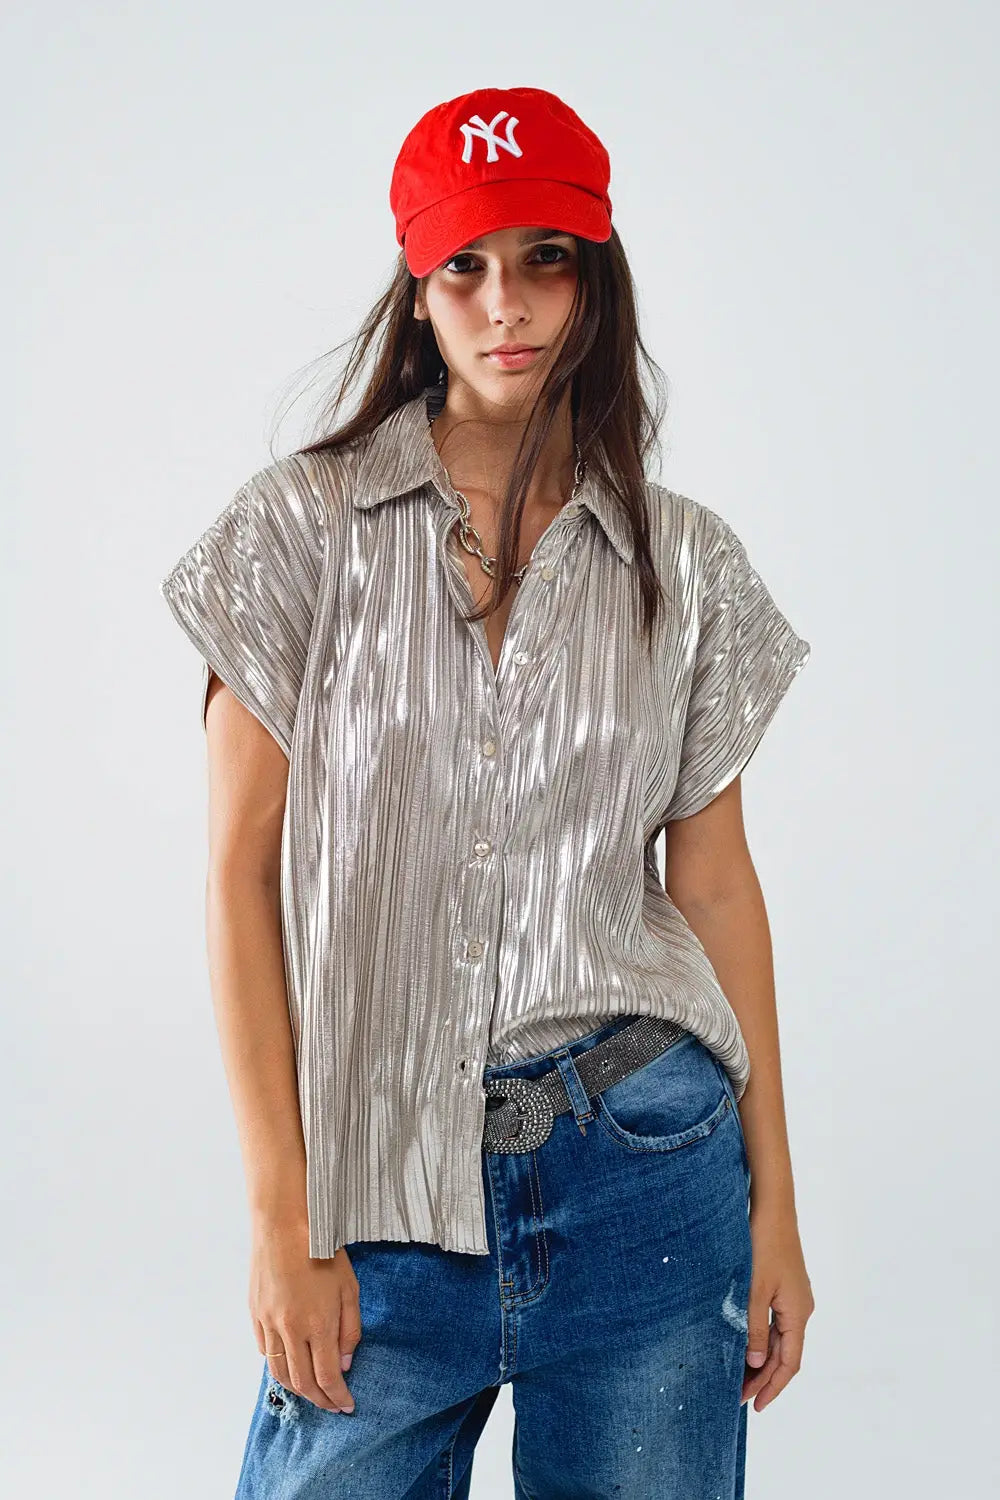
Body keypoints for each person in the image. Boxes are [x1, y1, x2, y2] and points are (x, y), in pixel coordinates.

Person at [160, 84, 815, 1500]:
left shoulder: (687, 564)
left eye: (544, 259)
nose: (504, 302)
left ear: (595, 280)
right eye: (464, 265)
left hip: (649, 1165)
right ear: (417, 290)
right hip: (380, 1195)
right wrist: (281, 1217)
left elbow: (712, 887)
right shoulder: (297, 533)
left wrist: (779, 1208)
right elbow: (238, 874)